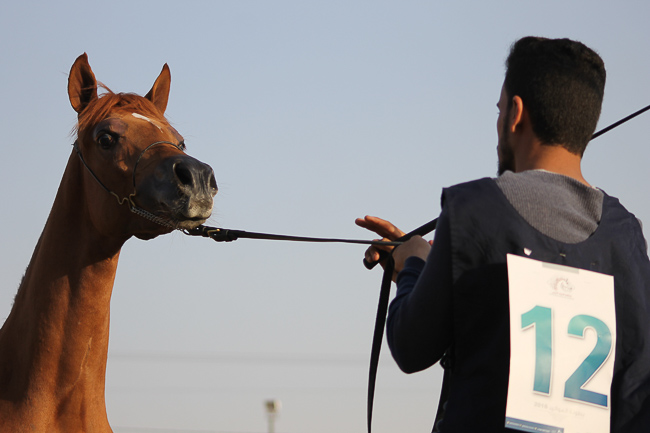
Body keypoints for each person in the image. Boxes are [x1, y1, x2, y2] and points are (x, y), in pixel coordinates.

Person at [356, 36, 650, 433]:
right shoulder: (626, 235)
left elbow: (411, 346)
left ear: (515, 114)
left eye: (499, 109)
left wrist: (412, 265)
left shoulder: (473, 210)